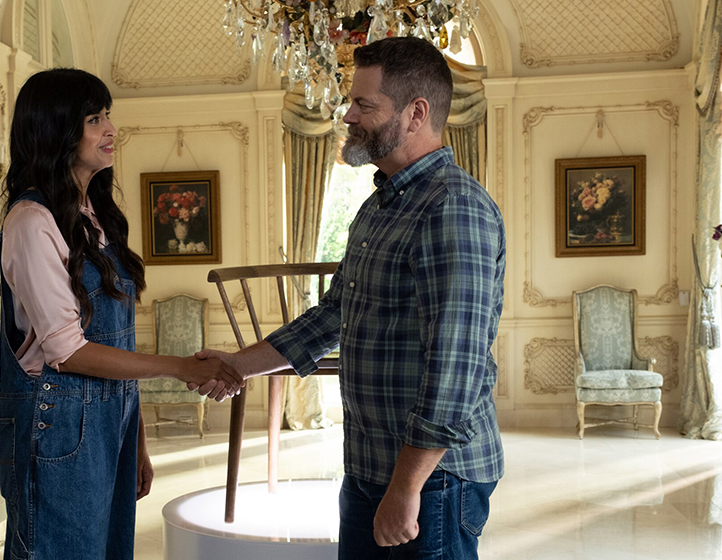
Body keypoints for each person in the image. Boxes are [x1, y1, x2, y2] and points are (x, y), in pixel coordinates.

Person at [196, 37, 505, 559]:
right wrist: (237, 365)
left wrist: (405, 489)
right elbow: (333, 315)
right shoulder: (380, 204)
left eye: (364, 104)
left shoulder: (452, 207)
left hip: (432, 481)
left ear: (416, 114)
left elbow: (455, 369)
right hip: (369, 468)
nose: (348, 115)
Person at [0, 68, 242, 560]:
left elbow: (117, 342)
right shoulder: (31, 221)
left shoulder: (96, 216)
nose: (111, 130)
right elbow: (68, 351)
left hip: (112, 424)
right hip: (59, 429)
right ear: (56, 131)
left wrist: (137, 438)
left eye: (107, 116)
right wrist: (180, 367)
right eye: (94, 120)